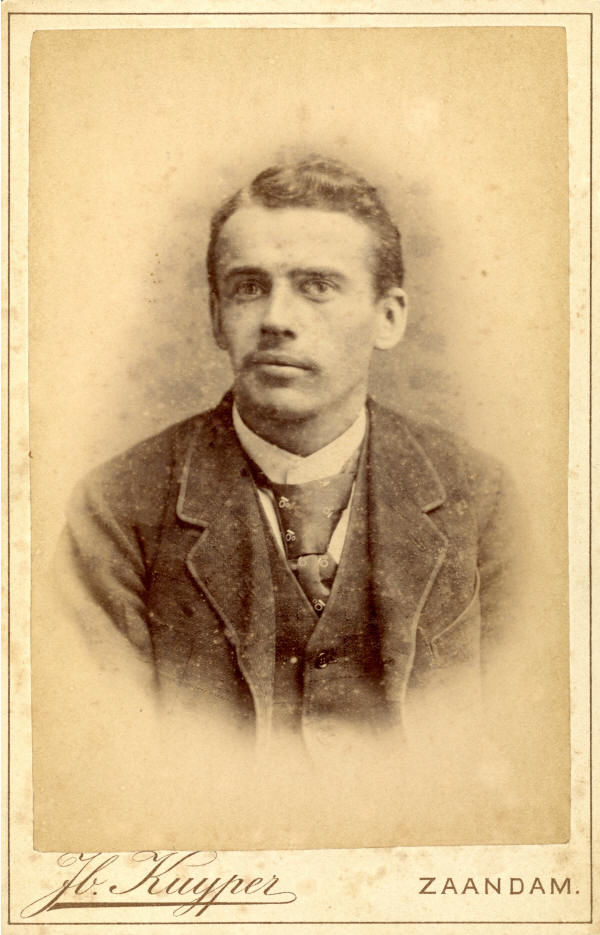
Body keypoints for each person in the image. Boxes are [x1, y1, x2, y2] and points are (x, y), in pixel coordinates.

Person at [58, 156, 520, 756]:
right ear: (217, 318)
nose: (276, 319)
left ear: (387, 318)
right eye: (249, 287)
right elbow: (112, 754)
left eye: (317, 286)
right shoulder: (118, 508)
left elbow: (515, 738)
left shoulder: (480, 496)